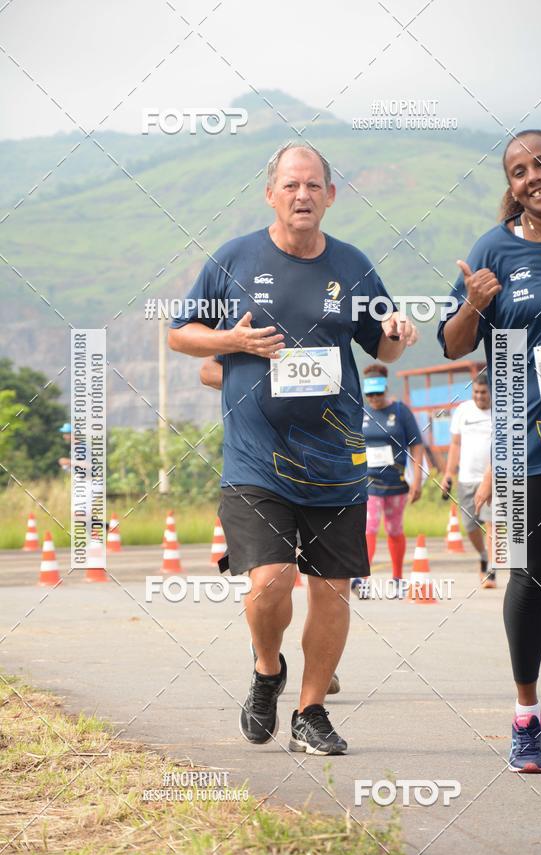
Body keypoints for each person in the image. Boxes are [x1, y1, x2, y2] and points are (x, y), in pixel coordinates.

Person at [170, 141, 417, 755]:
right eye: (290, 185)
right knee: (272, 580)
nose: (302, 195)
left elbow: (382, 346)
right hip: (256, 459)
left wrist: (397, 333)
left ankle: (310, 712)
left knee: (332, 587)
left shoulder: (354, 266)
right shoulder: (232, 260)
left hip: (336, 461)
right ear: (271, 193)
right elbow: (180, 333)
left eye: (313, 186)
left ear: (330, 195)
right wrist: (233, 340)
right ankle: (266, 668)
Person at [439, 129, 541, 773]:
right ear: (511, 187)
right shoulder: (494, 252)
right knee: (529, 579)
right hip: (522, 437)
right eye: (518, 170)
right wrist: (475, 306)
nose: (533, 175)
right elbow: (453, 345)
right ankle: (526, 714)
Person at [200, 354, 342, 694]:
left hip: (320, 467)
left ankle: (320, 669)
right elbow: (207, 370)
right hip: (260, 468)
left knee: (326, 584)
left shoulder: (329, 316)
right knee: (273, 576)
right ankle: (267, 657)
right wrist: (270, 386)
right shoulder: (250, 314)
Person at [351, 363, 424, 599]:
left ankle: (398, 577)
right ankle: (363, 578)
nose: (373, 399)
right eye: (369, 394)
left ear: (385, 389)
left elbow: (417, 445)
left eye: (377, 394)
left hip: (396, 481)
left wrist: (417, 481)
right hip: (369, 482)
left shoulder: (401, 412)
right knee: (369, 527)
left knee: (394, 529)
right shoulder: (361, 411)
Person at [441, 374, 495, 587]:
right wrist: (448, 474)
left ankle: (491, 569)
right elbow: (455, 444)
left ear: (491, 391)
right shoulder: (463, 410)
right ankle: (483, 555)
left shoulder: (500, 410)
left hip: (492, 479)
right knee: (470, 526)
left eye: (484, 392)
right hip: (466, 478)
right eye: (476, 392)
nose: (480, 396)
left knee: (493, 524)